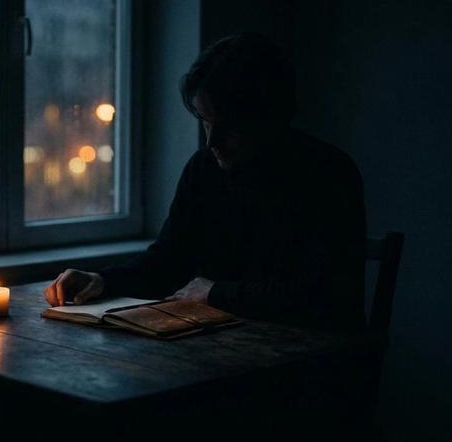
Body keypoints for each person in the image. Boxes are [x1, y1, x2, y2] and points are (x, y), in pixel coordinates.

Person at [44, 33, 367, 329]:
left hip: (305, 363)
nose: (212, 141)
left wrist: (216, 293)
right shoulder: (204, 169)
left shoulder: (325, 173)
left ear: (270, 118)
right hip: (218, 349)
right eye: (204, 121)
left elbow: (327, 295)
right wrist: (101, 280)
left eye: (230, 126)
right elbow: (168, 260)